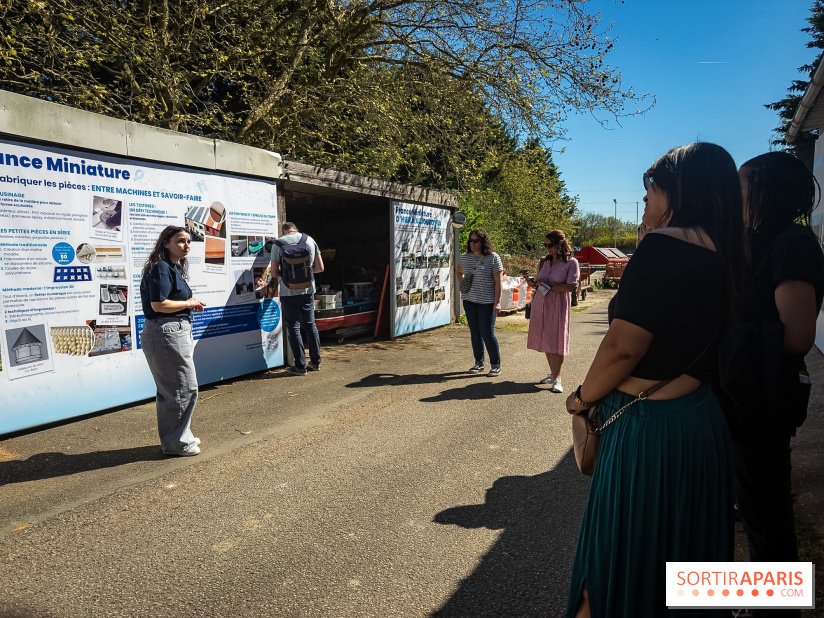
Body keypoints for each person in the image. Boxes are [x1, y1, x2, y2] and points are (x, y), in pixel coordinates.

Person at [564, 143, 746, 617]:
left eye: (650, 192)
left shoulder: (663, 247)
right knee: (685, 572)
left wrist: (581, 397)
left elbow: (624, 346)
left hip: (648, 430)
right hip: (700, 424)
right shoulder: (727, 254)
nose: (645, 202)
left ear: (678, 190)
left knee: (608, 570)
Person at [729, 152, 824, 617]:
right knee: (748, 508)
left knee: (766, 513)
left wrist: (721, 334)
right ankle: (753, 603)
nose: (735, 196)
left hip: (763, 400)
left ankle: (778, 611)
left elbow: (798, 334)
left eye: (742, 186)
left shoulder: (793, 244)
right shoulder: (755, 241)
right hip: (743, 394)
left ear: (766, 191)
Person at [139, 226, 207, 456]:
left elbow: (169, 301)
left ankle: (178, 437)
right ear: (166, 243)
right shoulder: (160, 267)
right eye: (180, 241)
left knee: (175, 389)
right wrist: (188, 303)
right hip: (166, 331)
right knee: (182, 388)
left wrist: (188, 303)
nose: (186, 245)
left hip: (171, 329)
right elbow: (159, 305)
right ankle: (177, 443)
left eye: (188, 241)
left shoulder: (171, 267)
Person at [526, 229, 580, 393]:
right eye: (545, 244)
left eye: (550, 245)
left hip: (558, 305)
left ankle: (558, 378)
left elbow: (571, 286)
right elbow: (539, 280)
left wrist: (551, 286)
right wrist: (533, 283)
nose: (547, 248)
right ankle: (553, 373)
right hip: (541, 304)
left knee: (557, 341)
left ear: (560, 244)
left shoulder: (571, 263)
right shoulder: (544, 262)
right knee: (546, 339)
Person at [270, 222, 324, 375]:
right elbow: (320, 268)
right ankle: (315, 362)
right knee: (310, 325)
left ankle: (300, 366)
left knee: (293, 327)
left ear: (283, 231)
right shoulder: (309, 240)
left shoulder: (278, 244)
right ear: (296, 230)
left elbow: (274, 274)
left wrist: (287, 275)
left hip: (288, 292)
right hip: (308, 290)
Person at [457, 229, 504, 376]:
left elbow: (498, 282)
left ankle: (495, 364)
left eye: (476, 241)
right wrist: (463, 283)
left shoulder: (493, 258)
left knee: (487, 332)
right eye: (471, 240)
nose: (472, 243)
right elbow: (459, 271)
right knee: (475, 333)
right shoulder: (465, 257)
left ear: (483, 242)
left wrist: (497, 302)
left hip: (487, 301)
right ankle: (479, 363)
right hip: (470, 301)